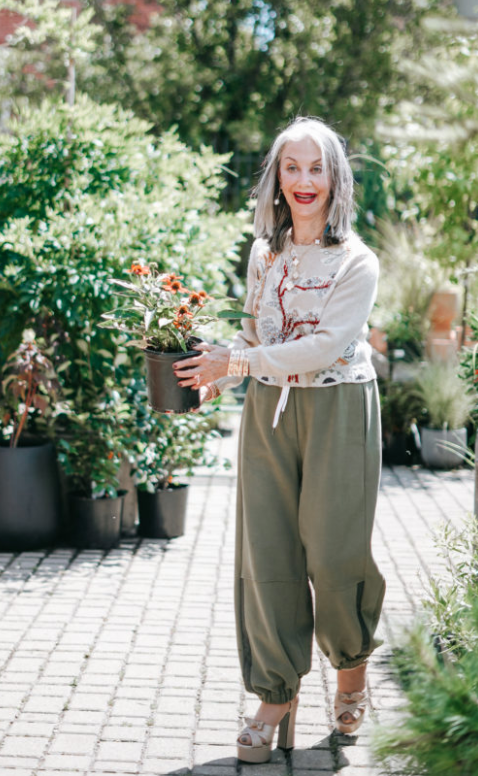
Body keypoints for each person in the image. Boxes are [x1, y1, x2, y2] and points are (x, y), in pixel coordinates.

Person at [173, 116, 385, 764]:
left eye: (315, 168)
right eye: (291, 168)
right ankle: (275, 694)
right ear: (277, 178)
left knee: (332, 555)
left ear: (334, 178)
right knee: (267, 556)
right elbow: (260, 339)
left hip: (339, 410)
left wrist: (235, 364)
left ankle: (350, 668)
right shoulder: (265, 254)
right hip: (268, 412)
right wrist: (216, 375)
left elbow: (323, 348)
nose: (303, 181)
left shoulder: (357, 261)